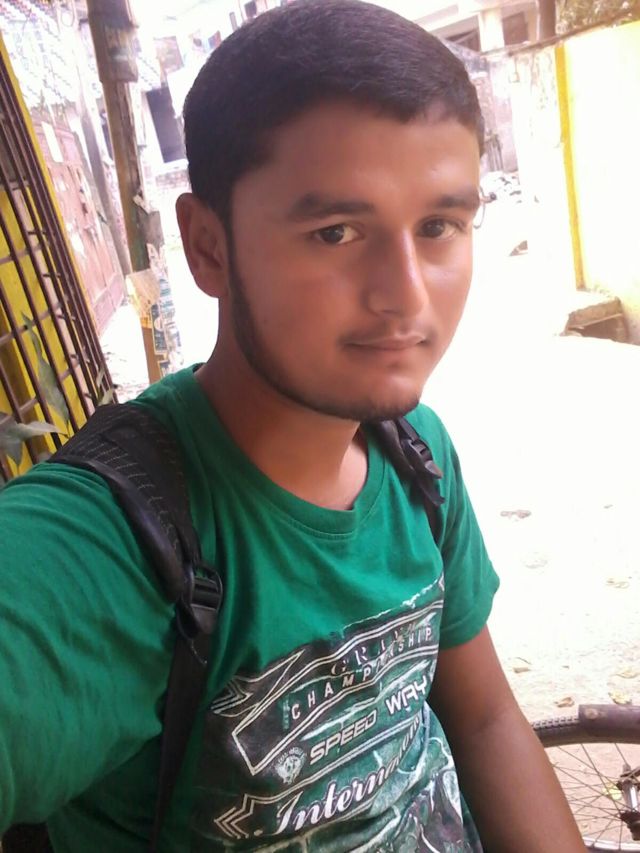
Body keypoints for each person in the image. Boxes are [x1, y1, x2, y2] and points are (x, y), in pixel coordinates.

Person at [0, 1, 584, 850]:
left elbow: (486, 715)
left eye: (439, 227)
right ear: (208, 247)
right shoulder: (110, 546)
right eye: (336, 232)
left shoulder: (416, 452)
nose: (407, 295)